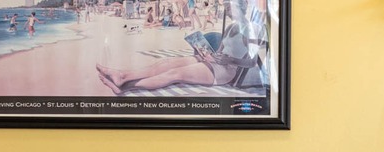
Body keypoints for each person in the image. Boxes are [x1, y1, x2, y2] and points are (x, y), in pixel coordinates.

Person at [96, 0, 264, 94]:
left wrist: (228, 59)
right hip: (215, 62)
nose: (228, 11)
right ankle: (123, 75)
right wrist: (209, 54)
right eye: (227, 7)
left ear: (243, 6)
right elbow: (220, 51)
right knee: (167, 63)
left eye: (230, 7)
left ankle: (124, 87)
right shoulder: (230, 27)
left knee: (174, 74)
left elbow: (251, 61)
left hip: (226, 71)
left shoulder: (252, 29)